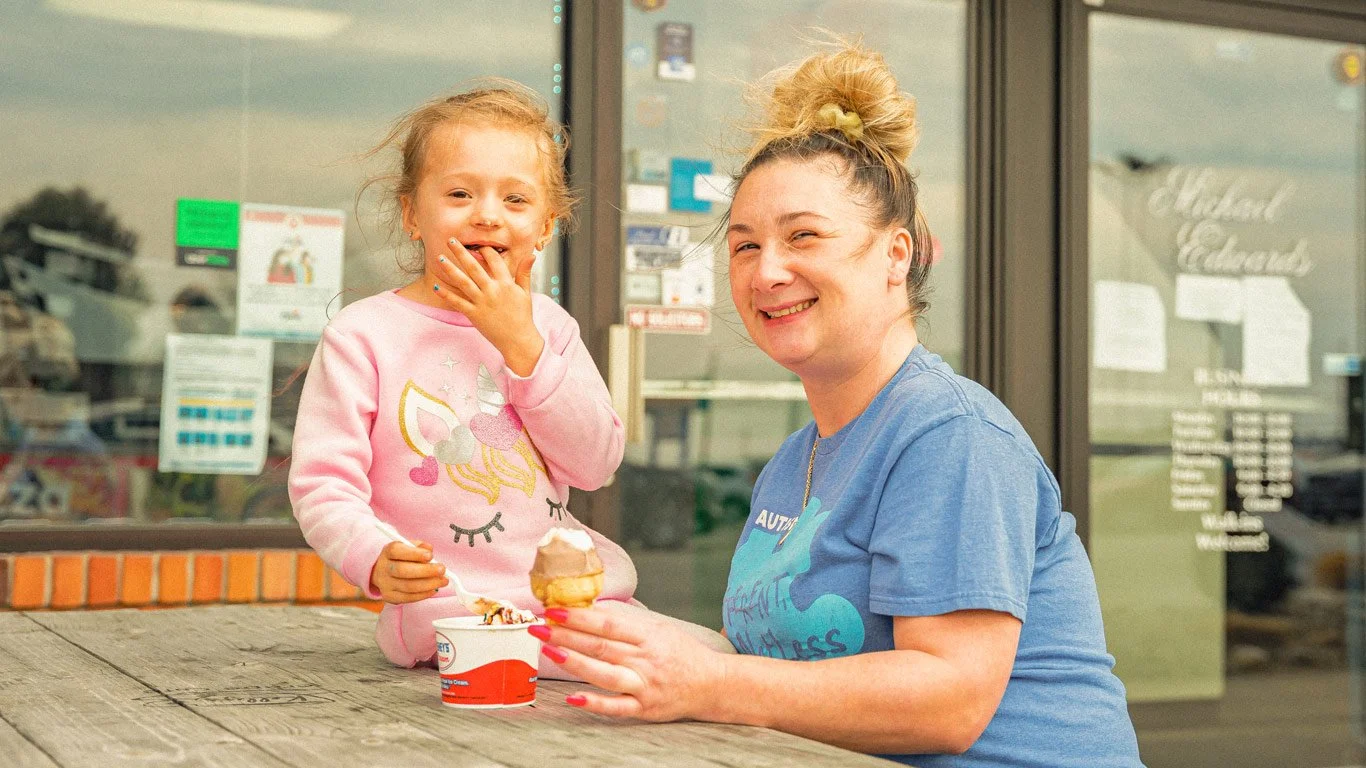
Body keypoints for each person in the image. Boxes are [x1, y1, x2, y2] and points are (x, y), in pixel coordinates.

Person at [530, 42, 1144, 767]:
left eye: (804, 236)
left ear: (896, 255)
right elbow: (775, 663)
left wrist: (708, 683)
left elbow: (948, 702)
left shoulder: (952, 436)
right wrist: (620, 639)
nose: (768, 271)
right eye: (744, 246)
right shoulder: (798, 457)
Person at [288, 82, 641, 671]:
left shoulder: (550, 328)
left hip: (575, 598)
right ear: (412, 214)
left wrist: (521, 343)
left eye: (516, 199)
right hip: (450, 610)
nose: (487, 215)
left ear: (546, 226)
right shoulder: (363, 335)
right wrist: (372, 555)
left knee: (701, 657)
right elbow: (324, 484)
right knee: (663, 669)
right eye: (459, 193)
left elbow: (594, 464)